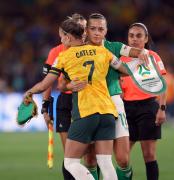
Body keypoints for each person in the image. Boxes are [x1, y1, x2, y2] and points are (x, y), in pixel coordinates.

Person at [24, 19, 133, 180]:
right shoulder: (101, 51)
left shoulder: (64, 56)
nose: (61, 40)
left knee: (70, 162)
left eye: (61, 36)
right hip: (108, 112)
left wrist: (29, 93)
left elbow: (44, 85)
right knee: (105, 161)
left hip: (86, 113)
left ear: (68, 37)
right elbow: (125, 70)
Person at [60, 13, 150, 180]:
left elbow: (133, 51)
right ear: (86, 30)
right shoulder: (76, 50)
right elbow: (61, 83)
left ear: (106, 31)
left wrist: (143, 52)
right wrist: (68, 85)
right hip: (89, 106)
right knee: (90, 159)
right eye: (92, 28)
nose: (96, 32)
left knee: (122, 159)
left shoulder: (113, 47)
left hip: (114, 103)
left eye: (100, 29)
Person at [41, 13, 87, 180]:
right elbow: (48, 82)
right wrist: (46, 107)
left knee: (89, 155)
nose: (82, 32)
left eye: (84, 28)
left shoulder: (93, 50)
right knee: (70, 154)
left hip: (88, 101)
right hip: (66, 101)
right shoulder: (56, 51)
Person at [120, 22, 167, 180]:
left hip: (147, 107)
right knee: (122, 157)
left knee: (149, 155)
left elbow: (162, 85)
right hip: (126, 109)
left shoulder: (153, 57)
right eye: (131, 35)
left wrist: (162, 109)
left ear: (146, 38)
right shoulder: (121, 58)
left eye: (138, 35)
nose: (134, 39)